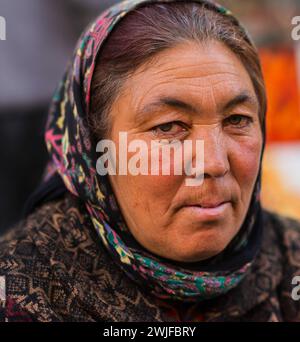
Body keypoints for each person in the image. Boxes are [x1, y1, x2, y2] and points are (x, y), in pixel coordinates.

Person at [0, 0, 300, 322]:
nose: (213, 164)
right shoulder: (23, 291)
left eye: (237, 120)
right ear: (93, 150)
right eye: (168, 127)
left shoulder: (291, 260)